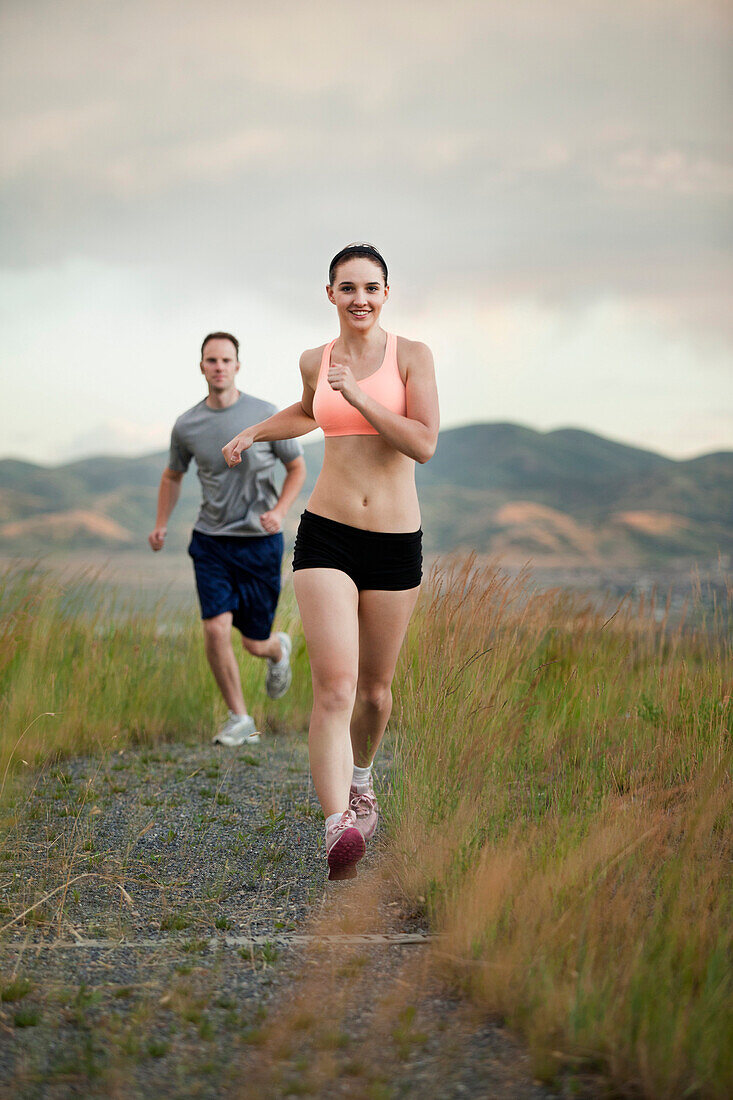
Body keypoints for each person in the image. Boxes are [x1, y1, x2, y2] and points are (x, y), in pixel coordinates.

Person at [222, 245, 439, 879]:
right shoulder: (317, 360)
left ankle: (362, 779)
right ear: (330, 294)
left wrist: (361, 396)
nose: (360, 298)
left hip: (396, 541)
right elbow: (312, 412)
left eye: (371, 287)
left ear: (387, 293)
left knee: (374, 693)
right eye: (348, 288)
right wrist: (255, 431)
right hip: (327, 535)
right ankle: (336, 822)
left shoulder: (413, 357)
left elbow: (423, 442)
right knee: (336, 686)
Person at [149, 331, 306, 746]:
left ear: (237, 365)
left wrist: (279, 511)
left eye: (225, 360)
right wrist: (162, 522)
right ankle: (239, 718)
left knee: (255, 643)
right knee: (216, 629)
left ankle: (277, 650)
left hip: (258, 542)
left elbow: (297, 468)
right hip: (211, 540)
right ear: (201, 366)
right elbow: (172, 475)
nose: (218, 366)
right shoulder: (187, 424)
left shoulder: (266, 415)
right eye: (211, 360)